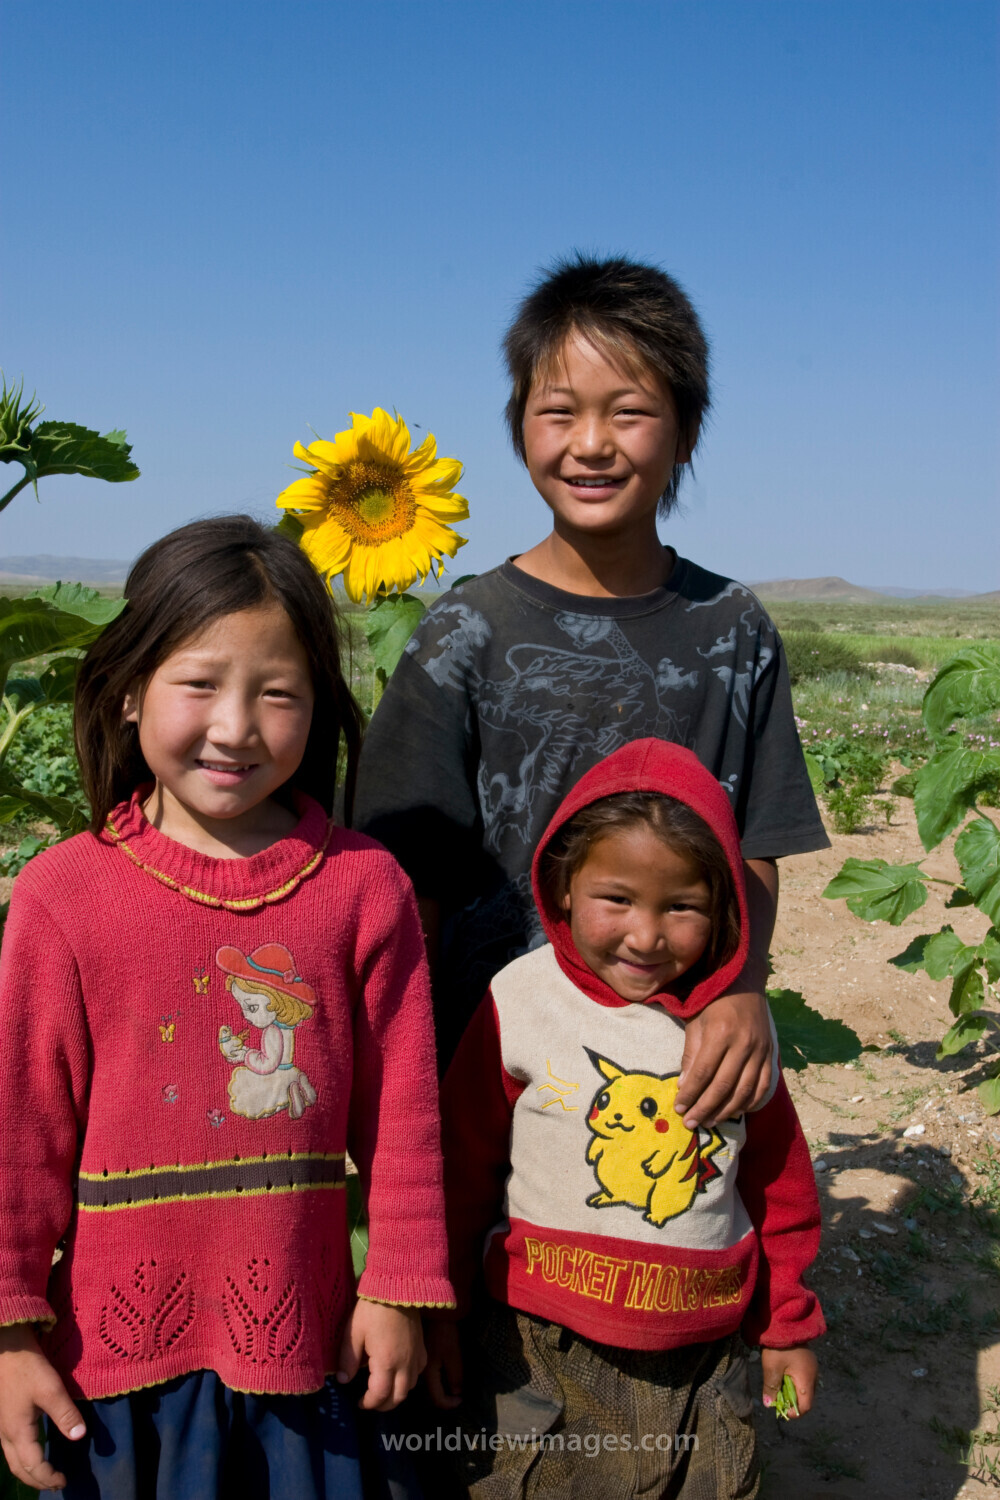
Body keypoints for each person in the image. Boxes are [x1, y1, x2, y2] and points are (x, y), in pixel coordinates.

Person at [0, 516, 455, 1498]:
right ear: (127, 689)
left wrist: (398, 1288)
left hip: (309, 1346)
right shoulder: (63, 895)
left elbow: (406, 1117)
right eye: (199, 683)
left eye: (277, 693)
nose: (236, 725)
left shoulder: (363, 888)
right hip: (114, 1369)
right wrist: (9, 1330)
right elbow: (21, 1134)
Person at [355, 253, 829, 1123]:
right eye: (559, 412)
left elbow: (756, 844)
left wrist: (741, 987)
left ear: (685, 433)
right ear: (520, 429)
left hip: (672, 1062)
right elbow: (403, 871)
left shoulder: (733, 629)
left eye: (630, 412)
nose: (590, 443)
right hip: (489, 1059)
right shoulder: (466, 631)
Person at [426, 738, 823, 1498]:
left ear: (725, 908)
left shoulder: (732, 1023)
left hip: (701, 1347)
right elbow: (463, 1166)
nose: (646, 936)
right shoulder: (522, 999)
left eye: (683, 907)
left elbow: (778, 1184)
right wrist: (442, 1309)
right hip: (539, 1340)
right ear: (564, 884)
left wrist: (787, 1326)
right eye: (617, 899)